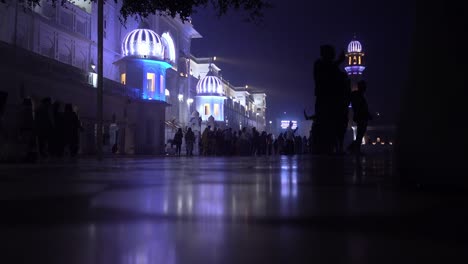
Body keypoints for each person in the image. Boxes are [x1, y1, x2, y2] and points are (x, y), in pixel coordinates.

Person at [349, 80, 372, 154]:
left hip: (360, 117)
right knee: (360, 133)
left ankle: (354, 148)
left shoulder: (356, 95)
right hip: (361, 117)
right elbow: (361, 108)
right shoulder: (358, 96)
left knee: (360, 133)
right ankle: (354, 148)